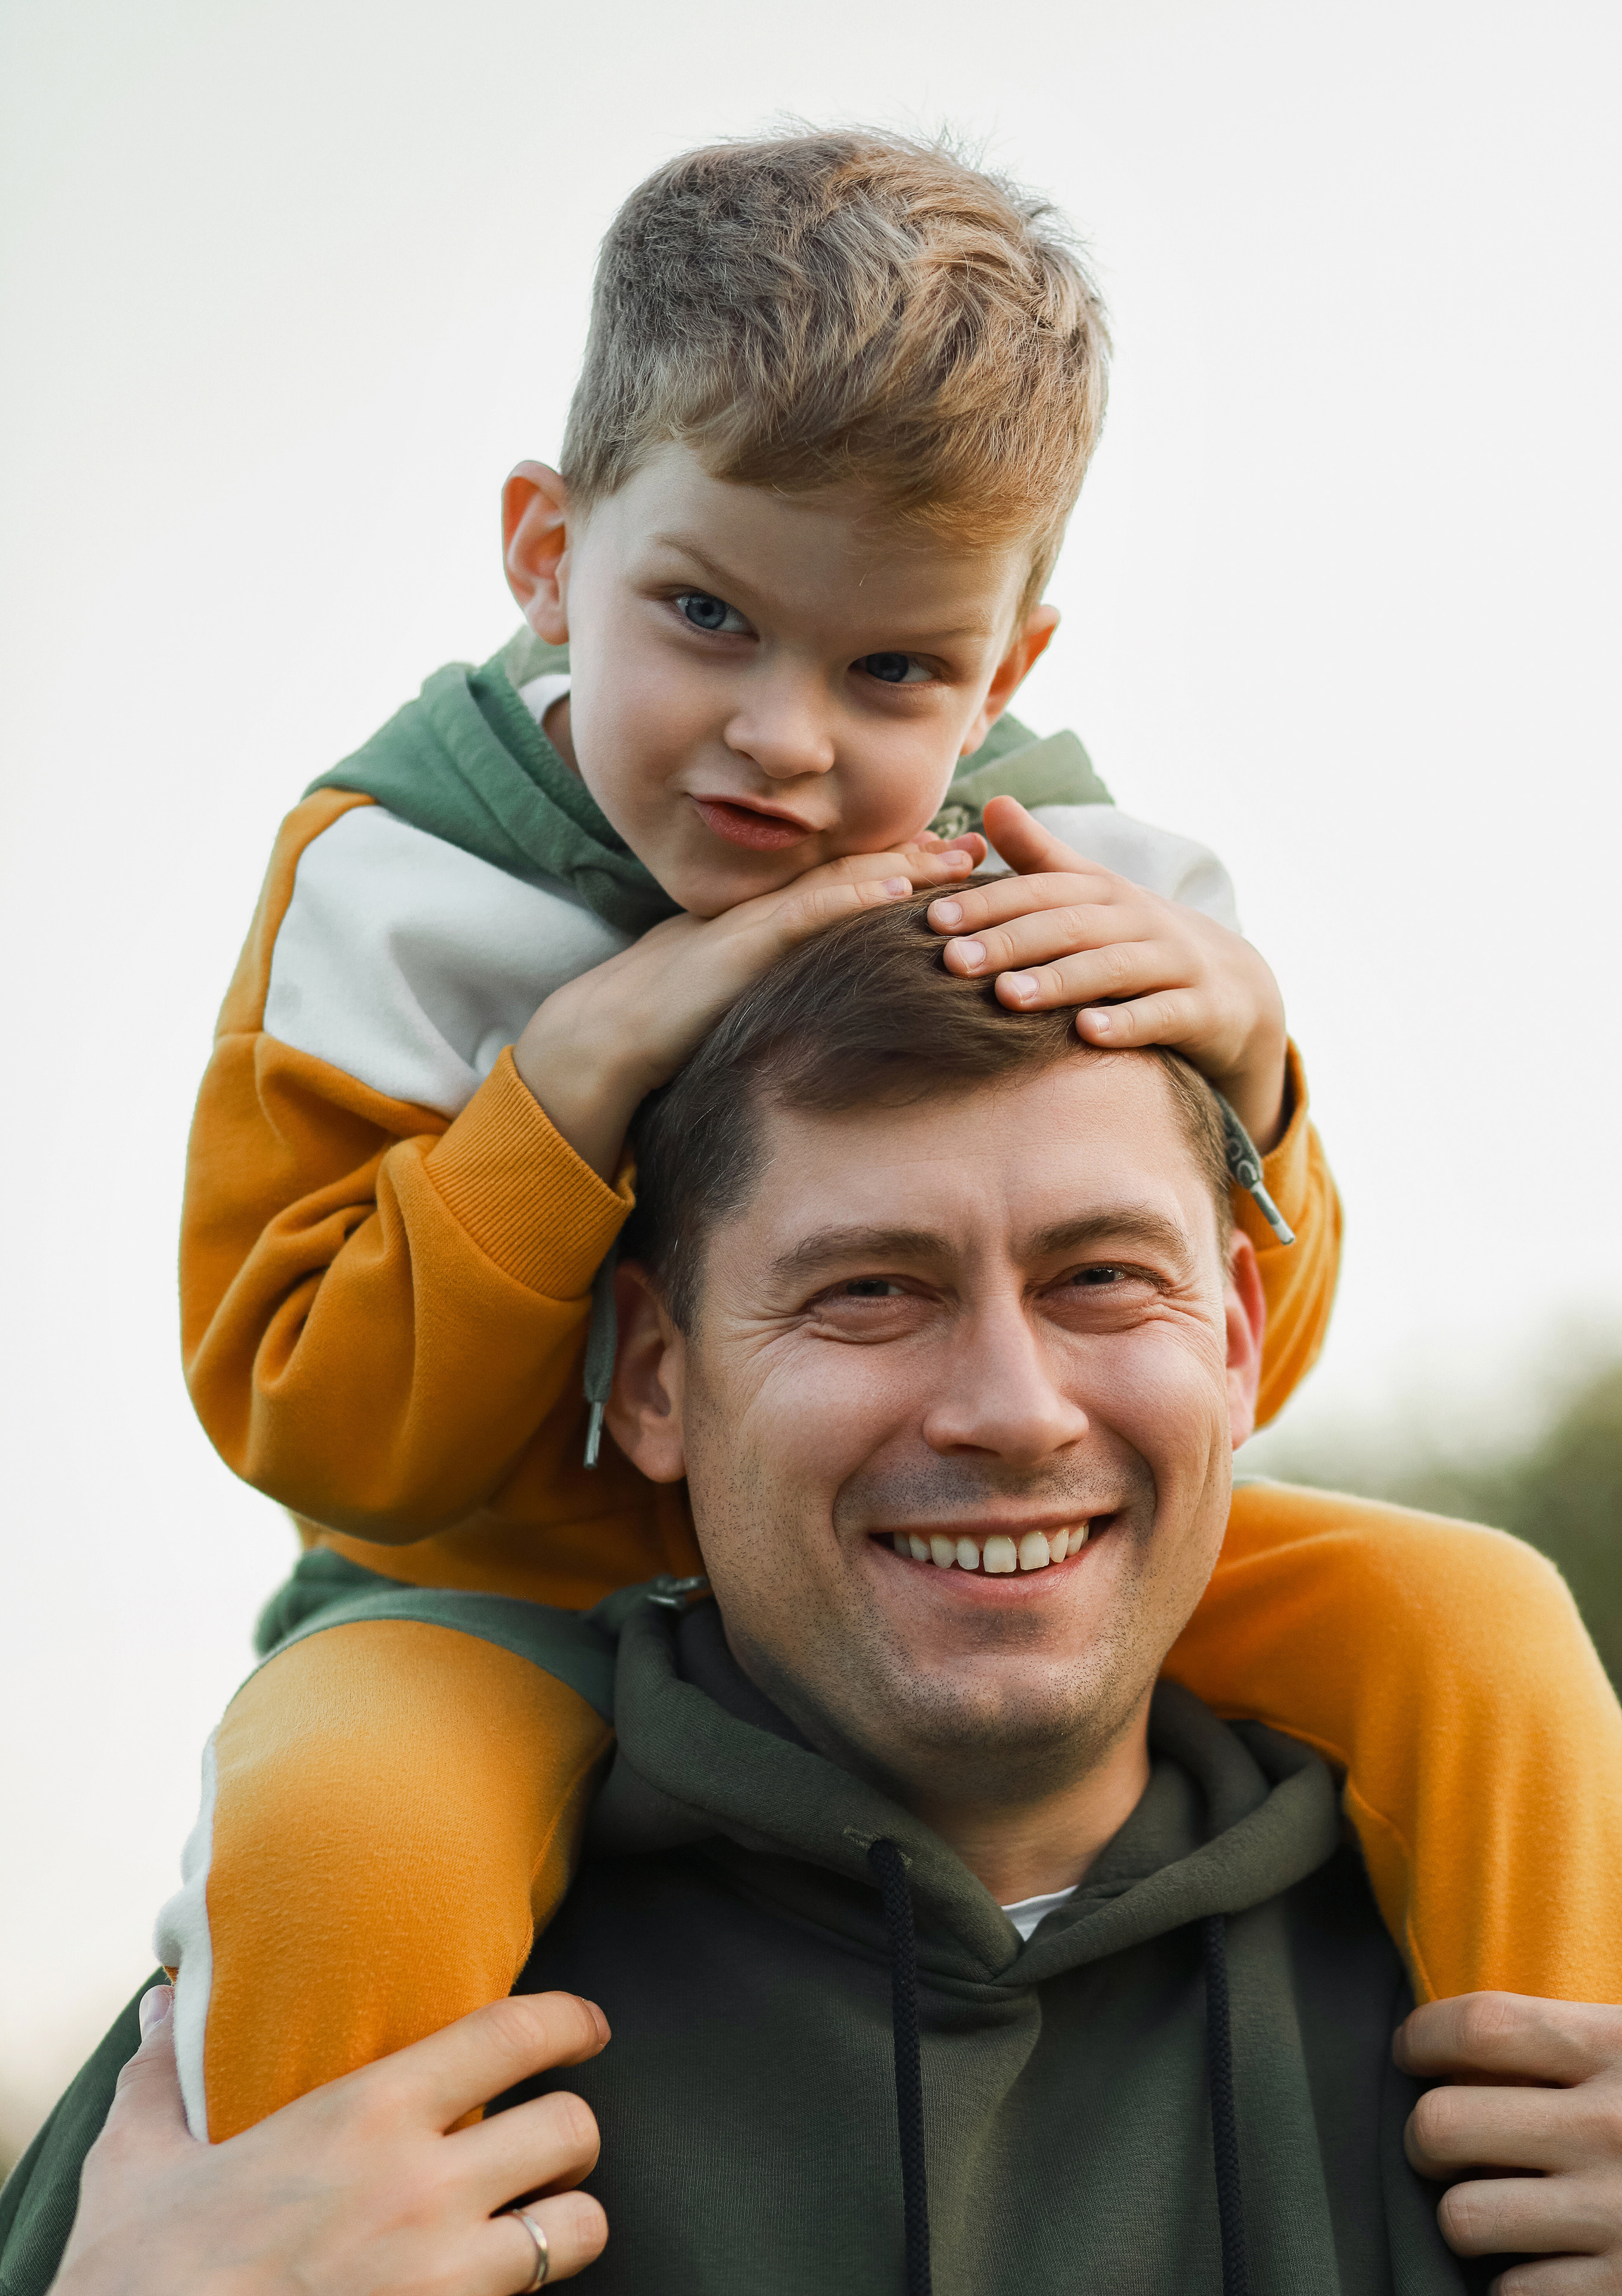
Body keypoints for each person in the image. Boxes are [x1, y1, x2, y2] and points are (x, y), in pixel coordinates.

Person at [158, 126, 1622, 2165]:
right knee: (342, 1829)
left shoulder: (1084, 877)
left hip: (936, 1561)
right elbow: (313, 1421)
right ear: (542, 549)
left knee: (1480, 1627)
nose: (785, 736)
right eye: (703, 614)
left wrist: (1263, 1070)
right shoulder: (397, 883)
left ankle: (1583, 2251)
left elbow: (1228, 1365)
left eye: (894, 670)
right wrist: (571, 1081)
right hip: (494, 1598)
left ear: (1011, 663)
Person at [5, 897, 1621, 2296]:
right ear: (652, 1378)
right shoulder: (309, 2086)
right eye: (868, 1293)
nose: (1011, 1407)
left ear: (1233, 1341)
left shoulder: (1535, 2040)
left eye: (1100, 1279)